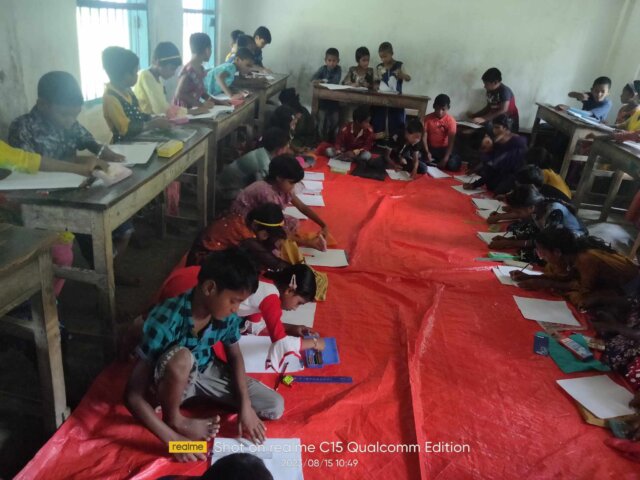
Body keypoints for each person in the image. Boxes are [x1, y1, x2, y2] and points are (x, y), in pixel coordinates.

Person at [124, 249, 283, 463]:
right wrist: (174, 441)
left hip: (207, 370)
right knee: (182, 359)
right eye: (234, 301)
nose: (236, 309)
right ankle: (175, 418)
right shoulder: (166, 318)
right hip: (170, 381)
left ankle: (195, 399)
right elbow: (132, 395)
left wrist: (245, 406)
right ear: (209, 288)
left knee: (274, 405)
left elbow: (234, 356)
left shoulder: (225, 315)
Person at [156, 263, 326, 373]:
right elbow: (281, 343)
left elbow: (256, 326)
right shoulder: (271, 297)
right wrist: (315, 343)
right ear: (289, 291)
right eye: (298, 303)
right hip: (190, 291)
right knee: (172, 332)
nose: (295, 308)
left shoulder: (267, 281)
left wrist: (291, 328)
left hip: (190, 279)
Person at [511, 227, 639, 309]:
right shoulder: (571, 254)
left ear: (557, 252)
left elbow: (583, 289)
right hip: (611, 284)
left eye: (543, 253)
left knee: (582, 300)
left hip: (631, 288)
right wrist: (532, 276)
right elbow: (569, 277)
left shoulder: (585, 258)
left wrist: (546, 283)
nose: (541, 257)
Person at [9, 71, 123, 163]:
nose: (71, 121)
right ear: (42, 105)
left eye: (75, 115)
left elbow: (88, 140)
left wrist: (101, 149)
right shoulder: (23, 128)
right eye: (64, 115)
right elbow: (30, 165)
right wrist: (80, 163)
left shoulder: (70, 122)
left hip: (73, 183)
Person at [231, 155, 330, 251]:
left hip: (263, 218)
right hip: (244, 221)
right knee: (278, 234)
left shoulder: (282, 187)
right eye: (291, 182)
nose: (293, 186)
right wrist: (307, 243)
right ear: (279, 178)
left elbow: (301, 206)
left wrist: (323, 224)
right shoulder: (266, 193)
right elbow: (277, 230)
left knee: (292, 222)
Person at [487, 184, 587, 255]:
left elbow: (547, 241)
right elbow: (538, 234)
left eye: (518, 212)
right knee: (523, 232)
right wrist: (509, 239)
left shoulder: (553, 212)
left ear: (530, 208)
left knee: (534, 254)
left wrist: (510, 243)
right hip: (553, 236)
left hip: (573, 242)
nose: (517, 215)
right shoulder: (536, 208)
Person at [186, 202, 290, 270]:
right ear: (255, 225)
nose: (266, 237)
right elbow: (272, 262)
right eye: (266, 234)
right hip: (200, 262)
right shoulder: (245, 234)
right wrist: (294, 270)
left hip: (209, 251)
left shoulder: (244, 219)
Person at [102, 46, 171, 142]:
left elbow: (138, 115)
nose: (137, 75)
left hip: (137, 140)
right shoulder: (111, 98)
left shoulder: (128, 91)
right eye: (135, 72)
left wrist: (153, 117)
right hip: (123, 146)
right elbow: (125, 129)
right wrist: (152, 124)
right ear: (124, 74)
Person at [216, 127, 291, 203]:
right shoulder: (264, 163)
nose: (287, 150)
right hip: (227, 193)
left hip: (226, 186)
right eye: (286, 147)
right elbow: (262, 190)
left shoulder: (262, 152)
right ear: (279, 150)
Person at [464, 115, 527, 194]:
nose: (488, 147)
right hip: (501, 170)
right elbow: (490, 167)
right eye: (483, 148)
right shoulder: (494, 144)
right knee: (490, 183)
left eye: (487, 143)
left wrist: (476, 184)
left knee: (498, 190)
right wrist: (474, 184)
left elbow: (522, 144)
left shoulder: (514, 141)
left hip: (515, 174)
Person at [372, 42, 410, 140]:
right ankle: (380, 141)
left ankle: (395, 141)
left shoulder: (399, 65)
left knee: (396, 120)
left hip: (396, 99)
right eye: (381, 57)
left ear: (392, 53)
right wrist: (376, 85)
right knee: (379, 118)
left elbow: (408, 78)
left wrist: (402, 75)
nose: (383, 59)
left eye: (385, 56)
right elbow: (376, 82)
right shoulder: (379, 67)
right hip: (382, 98)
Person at [468, 67, 519, 132]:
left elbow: (503, 109)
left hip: (509, 122)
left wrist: (484, 118)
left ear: (495, 82)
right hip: (497, 120)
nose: (484, 86)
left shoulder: (504, 91)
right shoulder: (489, 91)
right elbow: (488, 107)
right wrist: (475, 115)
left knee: (505, 140)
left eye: (486, 84)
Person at [173, 33, 216, 108]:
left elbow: (202, 92)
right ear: (207, 50)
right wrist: (201, 105)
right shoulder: (189, 70)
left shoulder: (200, 69)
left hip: (193, 109)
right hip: (183, 112)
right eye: (211, 48)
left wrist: (219, 102)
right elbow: (179, 94)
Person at [423, 94, 460, 171]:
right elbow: (424, 137)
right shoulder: (427, 118)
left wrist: (446, 158)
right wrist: (427, 152)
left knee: (452, 165)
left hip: (444, 149)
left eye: (443, 109)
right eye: (437, 109)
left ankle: (438, 162)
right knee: (418, 158)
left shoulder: (451, 121)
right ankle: (435, 161)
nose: (440, 112)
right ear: (433, 106)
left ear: (448, 108)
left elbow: (451, 142)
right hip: (431, 149)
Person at [311, 48, 342, 141]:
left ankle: (332, 139)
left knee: (335, 120)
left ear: (338, 61)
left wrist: (323, 81)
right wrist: (318, 80)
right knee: (321, 120)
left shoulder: (338, 69)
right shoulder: (322, 69)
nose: (332, 63)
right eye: (329, 60)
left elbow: (335, 81)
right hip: (323, 100)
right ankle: (319, 140)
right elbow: (313, 79)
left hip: (333, 100)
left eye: (334, 61)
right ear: (325, 60)